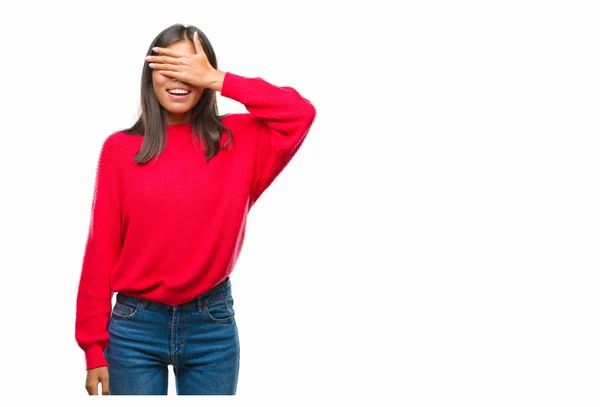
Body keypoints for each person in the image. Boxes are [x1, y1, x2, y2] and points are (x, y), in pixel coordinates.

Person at [75, 23, 316, 396]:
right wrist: (93, 350)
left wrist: (220, 78)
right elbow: (100, 250)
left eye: (190, 68)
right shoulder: (120, 150)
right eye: (169, 67)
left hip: (211, 324)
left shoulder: (239, 141)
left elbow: (299, 112)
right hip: (135, 326)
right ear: (149, 75)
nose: (180, 78)